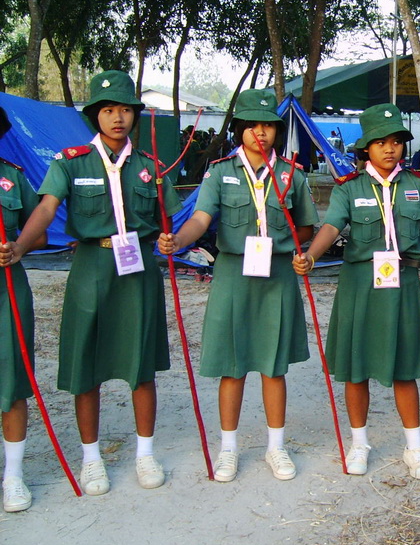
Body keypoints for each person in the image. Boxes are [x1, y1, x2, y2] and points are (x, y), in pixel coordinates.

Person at [3, 70, 180, 496]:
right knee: (86, 362)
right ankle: (91, 458)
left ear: (134, 115)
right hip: (90, 265)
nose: (118, 118)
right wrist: (21, 246)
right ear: (94, 116)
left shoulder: (151, 168)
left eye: (125, 110)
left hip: (137, 266)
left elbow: (172, 219)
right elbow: (46, 209)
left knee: (141, 363)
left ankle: (145, 454)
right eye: (108, 110)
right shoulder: (72, 161)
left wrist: (173, 239)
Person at [159, 89, 316, 483]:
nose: (261, 132)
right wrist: (180, 240)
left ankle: (276, 447)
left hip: (276, 277)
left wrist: (293, 246)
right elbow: (201, 218)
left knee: (273, 366)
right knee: (232, 366)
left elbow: (306, 228)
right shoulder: (220, 172)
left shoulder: (292, 175)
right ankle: (228, 448)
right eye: (252, 125)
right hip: (233, 274)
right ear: (240, 129)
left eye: (268, 126)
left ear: (277, 131)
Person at [293, 103, 420, 480]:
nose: (390, 148)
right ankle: (359, 444)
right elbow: (331, 227)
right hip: (360, 285)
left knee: (405, 369)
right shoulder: (350, 188)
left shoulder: (418, 186)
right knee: (356, 367)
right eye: (381, 142)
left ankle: (414, 447)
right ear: (366, 148)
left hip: (402, 284)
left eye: (396, 141)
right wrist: (311, 256)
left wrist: (412, 251)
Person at [0, 106, 47, 512]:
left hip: (8, 291)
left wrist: (17, 246)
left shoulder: (12, 177)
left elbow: (41, 232)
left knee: (13, 380)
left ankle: (13, 476)